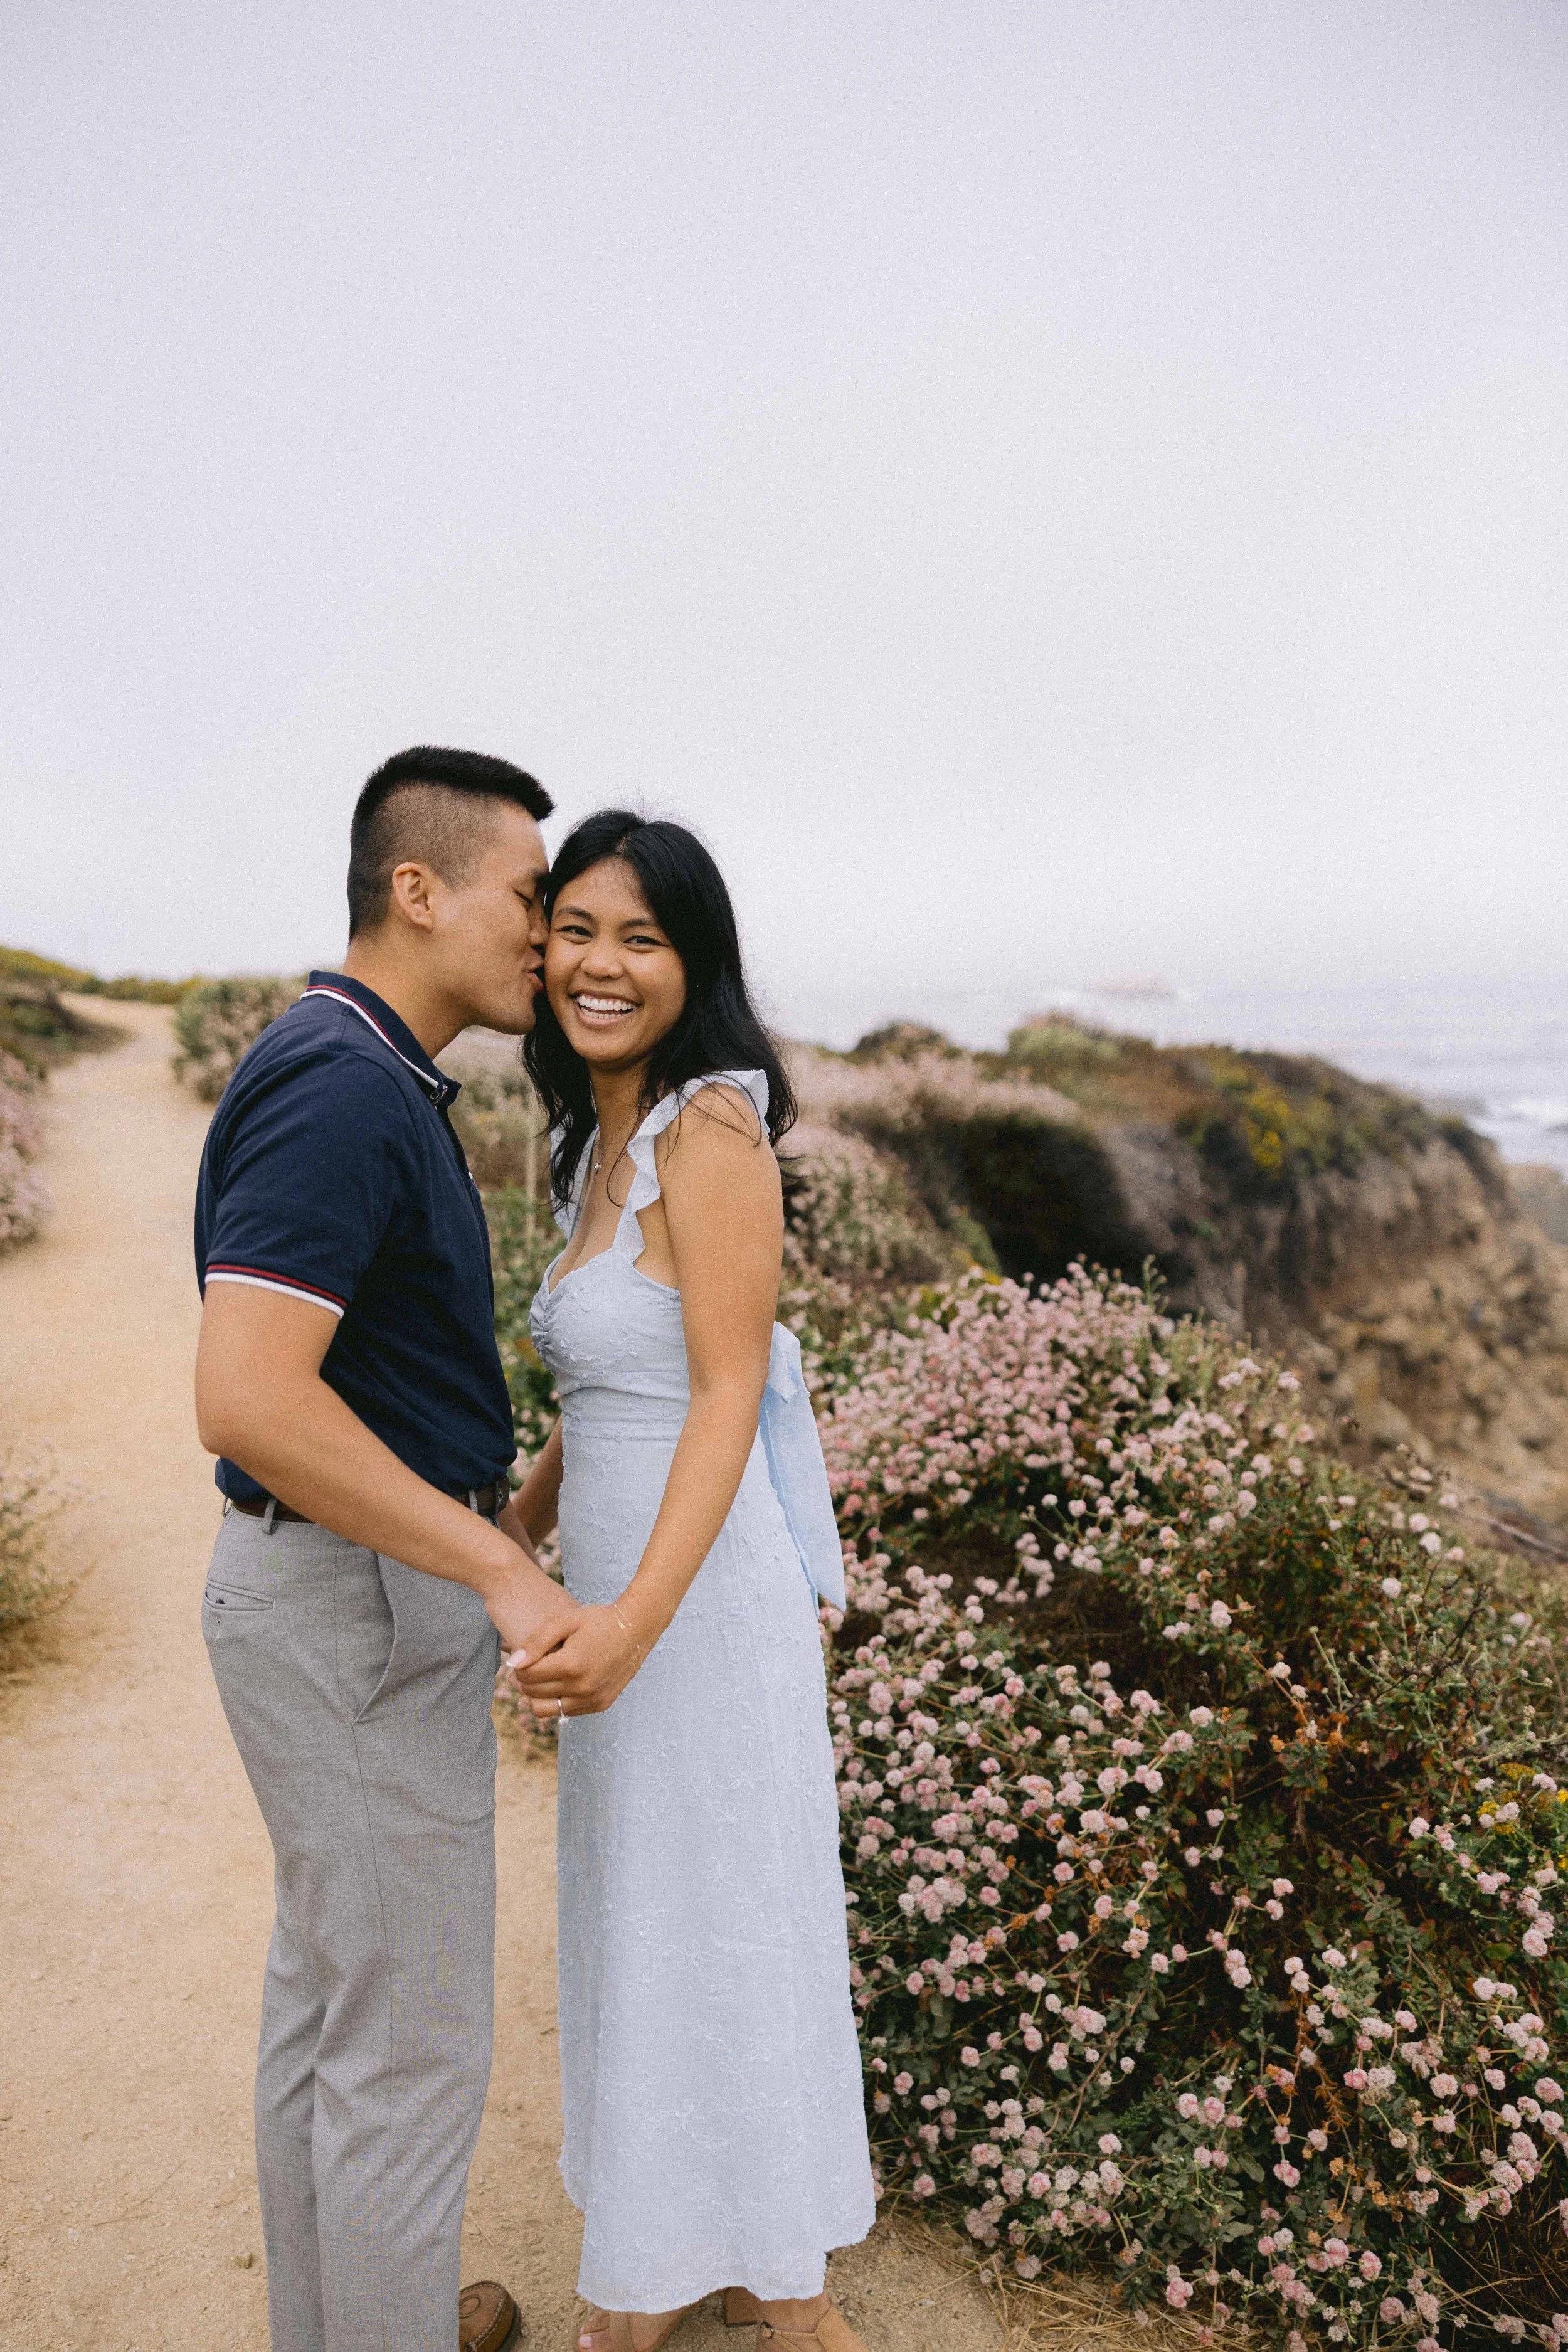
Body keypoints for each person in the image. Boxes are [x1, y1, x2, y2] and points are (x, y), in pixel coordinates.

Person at [194, 746, 575, 2352]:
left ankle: (358, 2322)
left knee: (332, 2008)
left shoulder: (358, 1065)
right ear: (414, 891)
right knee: (405, 2050)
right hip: (349, 1614)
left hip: (327, 1599)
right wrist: (496, 1570)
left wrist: (513, 1503)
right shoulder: (345, 1080)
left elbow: (361, 1389)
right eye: (528, 897)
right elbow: (247, 1394)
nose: (549, 941)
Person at [509, 812, 877, 2352]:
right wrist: (514, 1522)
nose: (600, 963)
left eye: (640, 938)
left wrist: (634, 1625)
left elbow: (723, 1394)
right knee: (643, 1914)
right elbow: (613, 1386)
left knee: (714, 1908)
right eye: (577, 927)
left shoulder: (709, 1132)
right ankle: (686, 2246)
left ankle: (772, 2289)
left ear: (692, 965)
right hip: (615, 1589)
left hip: (688, 1610)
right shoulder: (595, 1135)